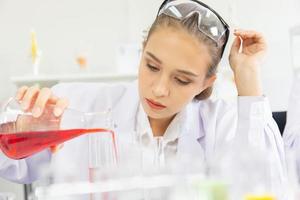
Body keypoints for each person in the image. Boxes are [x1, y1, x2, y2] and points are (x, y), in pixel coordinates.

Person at [0, 0, 286, 196]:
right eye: (151, 65)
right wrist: (16, 130)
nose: (159, 89)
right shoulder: (73, 104)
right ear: (142, 50)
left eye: (182, 79)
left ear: (205, 83)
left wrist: (248, 77)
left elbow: (266, 189)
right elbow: (10, 166)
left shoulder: (223, 122)